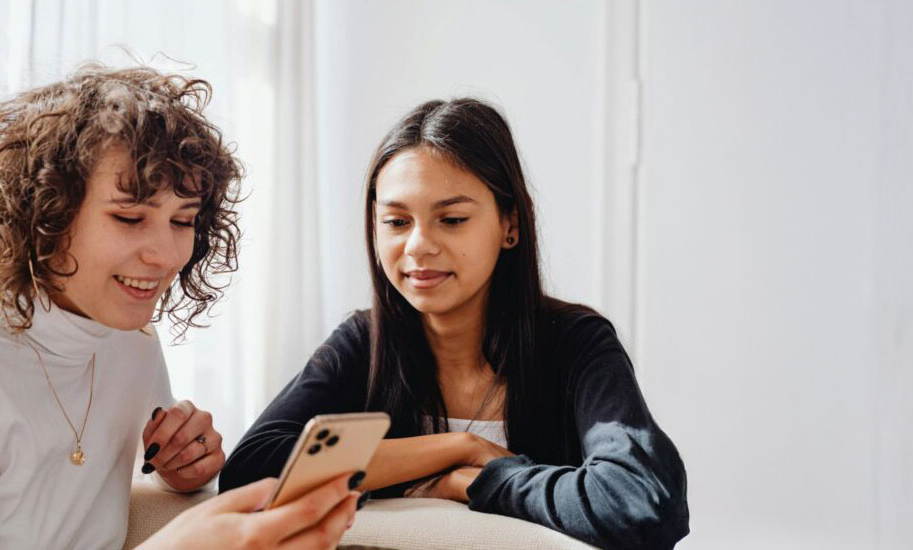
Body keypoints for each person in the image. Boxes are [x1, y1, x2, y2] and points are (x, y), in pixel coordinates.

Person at [0, 64, 361, 550]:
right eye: (129, 218)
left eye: (182, 221)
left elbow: (116, 485)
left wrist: (178, 468)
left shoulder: (132, 348)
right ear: (46, 214)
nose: (166, 253)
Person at [221, 98, 689, 550]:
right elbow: (250, 472)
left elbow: (641, 506)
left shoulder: (573, 343)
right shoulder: (364, 343)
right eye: (397, 221)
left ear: (511, 223)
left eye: (452, 218)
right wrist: (460, 448)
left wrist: (479, 482)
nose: (419, 245)